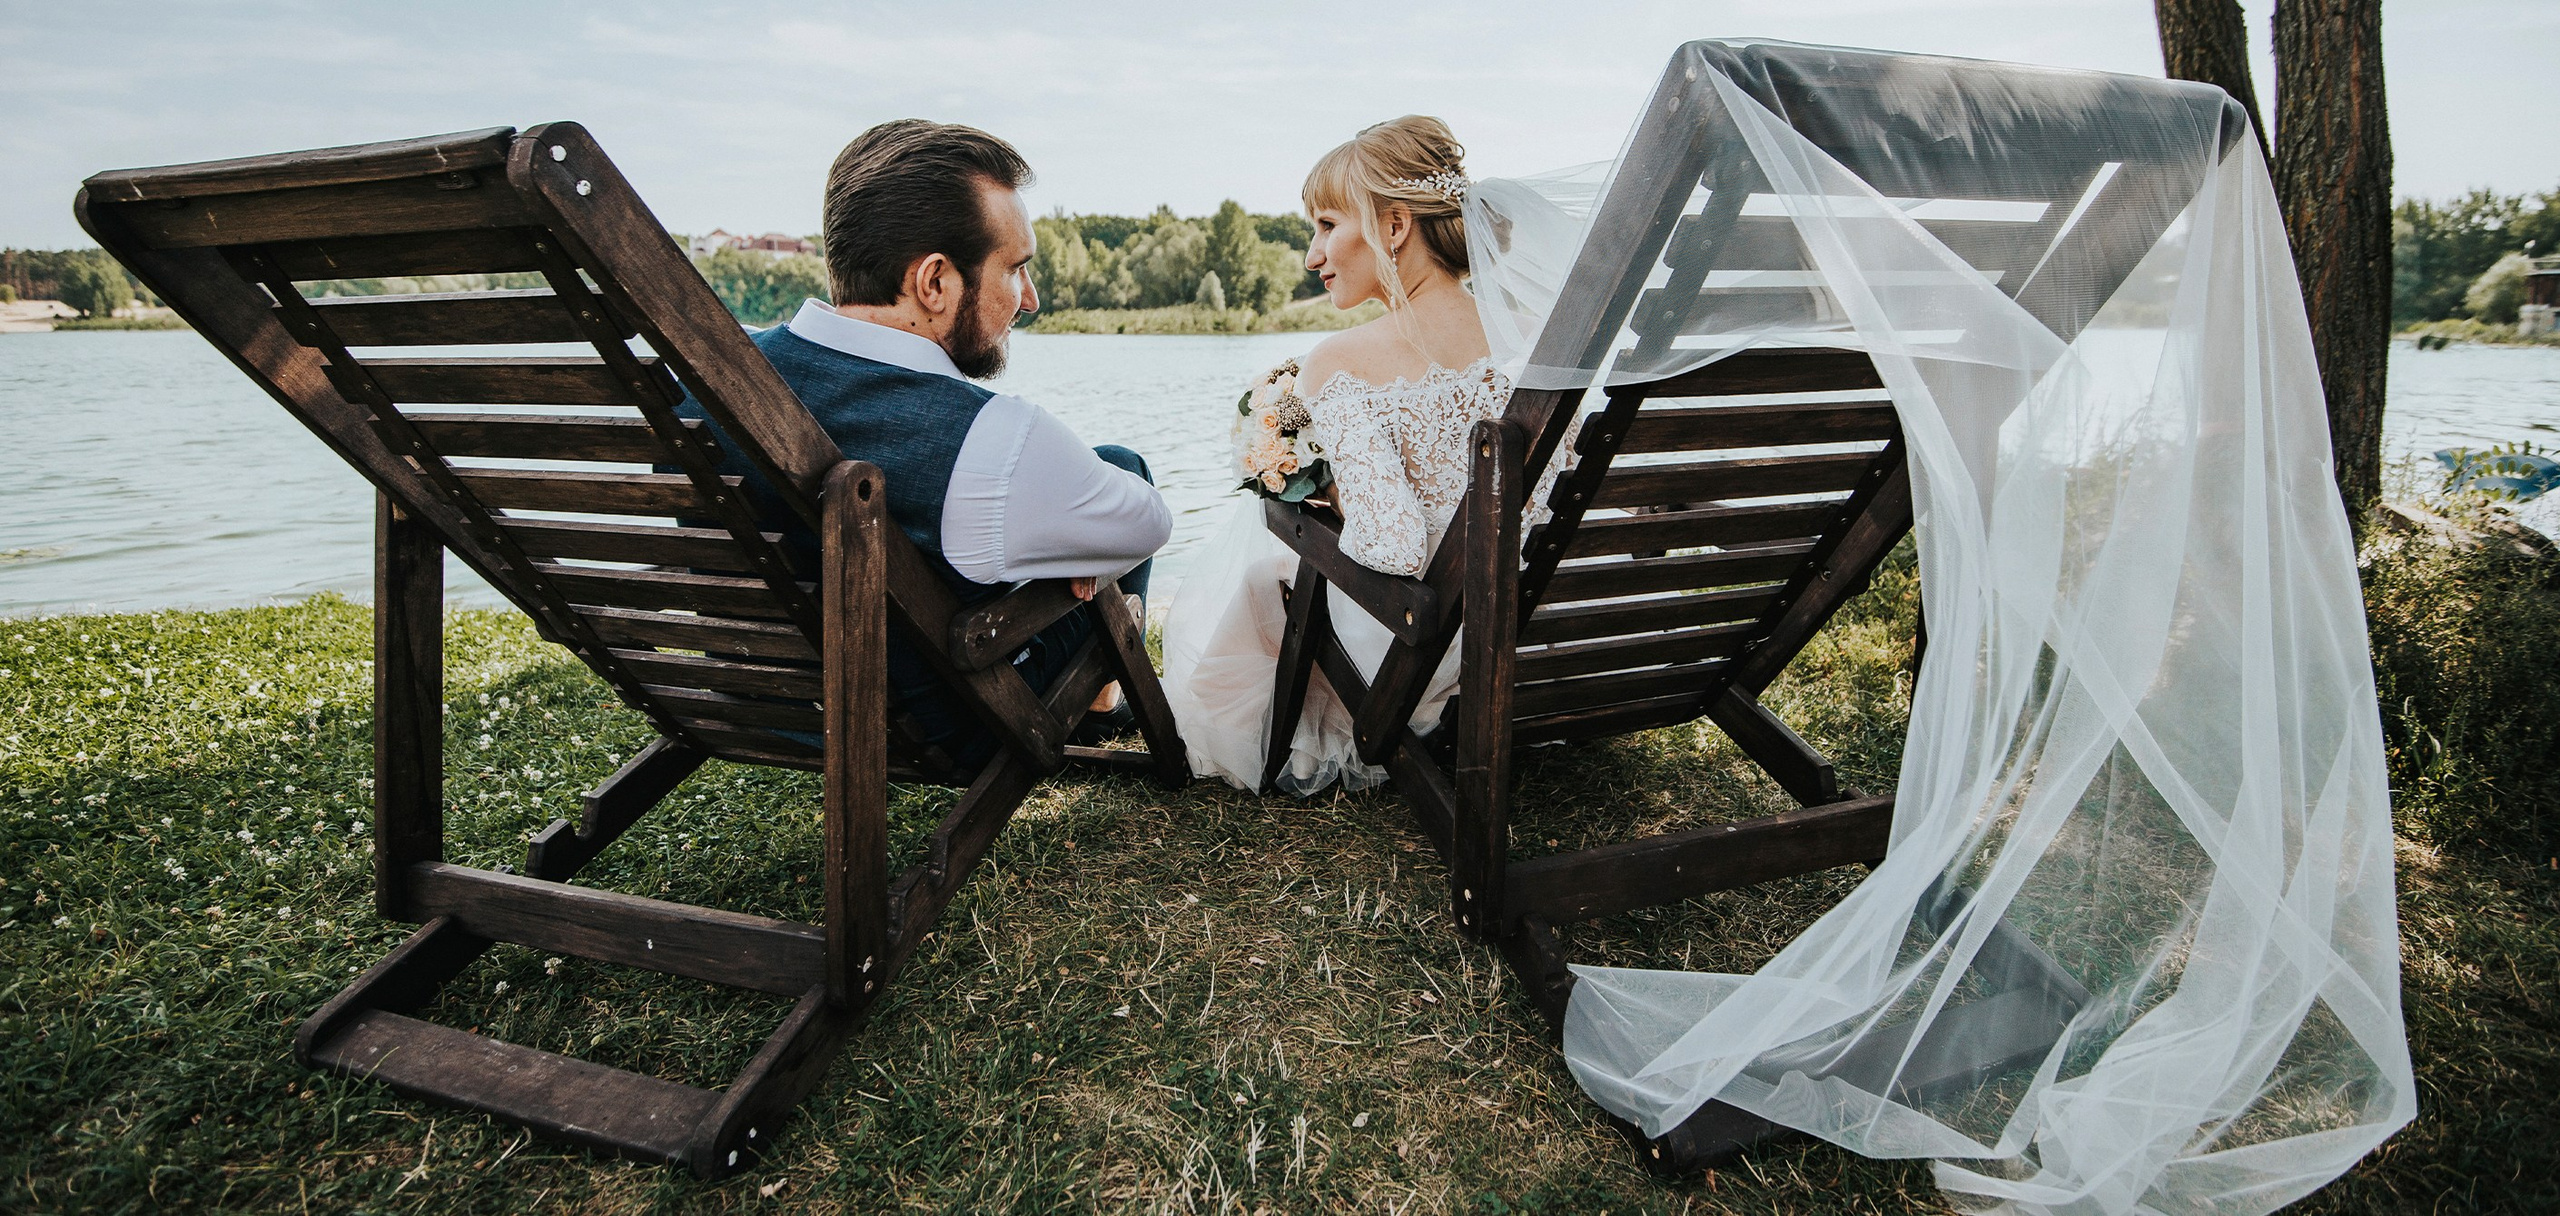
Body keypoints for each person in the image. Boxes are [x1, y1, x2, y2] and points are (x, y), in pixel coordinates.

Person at [675, 120, 1170, 770]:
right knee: (1121, 469)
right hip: (941, 720)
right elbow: (1149, 525)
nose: (1031, 300)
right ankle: (1101, 702)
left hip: (750, 700)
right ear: (934, 282)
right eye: (1015, 269)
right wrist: (1062, 554)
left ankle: (1101, 700)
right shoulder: (988, 437)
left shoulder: (701, 376)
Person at [1161, 116, 1565, 794]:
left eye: (1325, 226)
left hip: (1432, 644)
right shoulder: (1543, 340)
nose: (1313, 256)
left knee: (1273, 562)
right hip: (1551, 631)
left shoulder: (1341, 363)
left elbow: (1396, 549)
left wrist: (1329, 496)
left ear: (1396, 227)